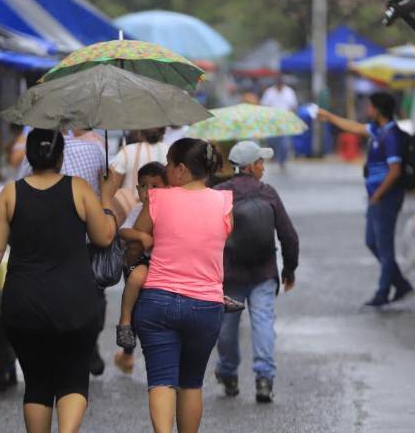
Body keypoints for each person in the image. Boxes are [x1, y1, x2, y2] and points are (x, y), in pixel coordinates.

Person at [0, 128, 117, 433]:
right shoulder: (79, 189)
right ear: (61, 157)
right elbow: (104, 236)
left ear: (28, 157)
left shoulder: (10, 194)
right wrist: (106, 197)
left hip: (23, 302)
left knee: (37, 383)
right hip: (75, 301)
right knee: (74, 378)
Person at [130, 139, 232, 433]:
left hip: (158, 299)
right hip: (205, 304)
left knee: (161, 379)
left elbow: (137, 239)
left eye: (169, 164)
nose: (165, 170)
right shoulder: (224, 202)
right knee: (191, 383)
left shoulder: (158, 199)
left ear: (182, 169)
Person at [213, 141, 299, 403]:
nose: (263, 167)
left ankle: (227, 373)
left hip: (230, 275)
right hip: (263, 272)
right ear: (249, 166)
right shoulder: (269, 193)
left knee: (226, 327)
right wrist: (290, 269)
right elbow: (289, 236)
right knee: (263, 323)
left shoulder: (218, 194)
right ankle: (264, 379)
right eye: (260, 162)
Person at [17, 129, 109, 375]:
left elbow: (21, 189)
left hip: (45, 241)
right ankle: (87, 342)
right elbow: (104, 186)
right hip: (87, 239)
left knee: (50, 290)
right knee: (94, 294)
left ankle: (57, 347)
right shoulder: (96, 149)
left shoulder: (32, 155)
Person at [318, 92, 414, 307]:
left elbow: (395, 170)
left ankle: (382, 293)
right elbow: (353, 127)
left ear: (378, 110)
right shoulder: (378, 131)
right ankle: (400, 284)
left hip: (386, 197)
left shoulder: (391, 136)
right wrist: (329, 116)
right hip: (376, 198)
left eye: (370, 107)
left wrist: (378, 194)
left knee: (384, 246)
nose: (367, 110)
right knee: (372, 242)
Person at [114, 162, 169, 374]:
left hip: (165, 261)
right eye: (143, 187)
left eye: (154, 186)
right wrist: (141, 235)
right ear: (137, 189)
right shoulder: (139, 209)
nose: (148, 192)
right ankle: (125, 321)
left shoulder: (168, 208)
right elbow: (123, 232)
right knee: (136, 277)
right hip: (145, 261)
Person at [108, 128, 169, 222]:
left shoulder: (127, 151)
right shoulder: (168, 151)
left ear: (139, 131)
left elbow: (112, 188)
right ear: (163, 131)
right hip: (162, 212)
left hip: (129, 211)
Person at [260, 77, 298, 169]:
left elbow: (294, 106)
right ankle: (276, 157)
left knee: (285, 142)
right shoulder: (269, 92)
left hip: (285, 121)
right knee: (272, 141)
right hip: (272, 121)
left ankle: (282, 160)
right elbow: (264, 105)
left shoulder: (289, 92)